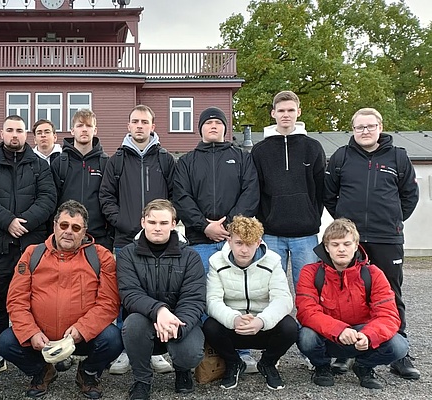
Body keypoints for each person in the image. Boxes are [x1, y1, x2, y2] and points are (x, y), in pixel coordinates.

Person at [323, 107, 420, 379]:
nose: (364, 131)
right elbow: (329, 195)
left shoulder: (398, 157)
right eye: (359, 127)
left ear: (380, 127)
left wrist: (392, 220)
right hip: (351, 240)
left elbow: (409, 196)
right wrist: (346, 228)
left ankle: (399, 353)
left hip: (386, 238)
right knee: (345, 294)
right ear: (352, 129)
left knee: (390, 293)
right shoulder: (341, 157)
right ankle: (344, 353)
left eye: (370, 126)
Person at [0, 200, 121, 399]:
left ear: (84, 231)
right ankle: (43, 370)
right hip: (41, 337)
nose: (68, 231)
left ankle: (88, 373)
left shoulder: (101, 256)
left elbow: (109, 302)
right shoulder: (32, 254)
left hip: (81, 337)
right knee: (5, 342)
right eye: (63, 225)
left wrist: (82, 329)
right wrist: (31, 332)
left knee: (114, 339)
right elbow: (16, 300)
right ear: (54, 225)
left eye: (75, 227)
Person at [173, 107, 260, 373]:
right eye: (208, 122)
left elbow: (250, 192)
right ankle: (206, 350)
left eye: (218, 122)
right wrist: (204, 225)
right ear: (200, 128)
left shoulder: (241, 158)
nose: (213, 126)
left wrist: (231, 226)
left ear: (225, 128)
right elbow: (181, 196)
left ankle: (242, 351)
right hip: (199, 242)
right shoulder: (186, 162)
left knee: (235, 295)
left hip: (232, 242)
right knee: (200, 297)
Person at [0, 115, 57, 375]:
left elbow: (48, 198)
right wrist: (8, 221)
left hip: (30, 246)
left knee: (37, 301)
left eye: (19, 130)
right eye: (9, 130)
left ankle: (43, 352)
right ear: (1, 133)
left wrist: (26, 223)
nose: (14, 135)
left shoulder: (40, 166)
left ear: (26, 135)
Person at [99, 104, 175, 374]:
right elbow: (105, 197)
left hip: (160, 241)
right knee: (125, 296)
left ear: (153, 126)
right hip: (125, 240)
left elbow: (175, 198)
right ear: (128, 126)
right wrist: (128, 225)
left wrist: (161, 227)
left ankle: (153, 351)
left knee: (155, 291)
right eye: (135, 121)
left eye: (145, 121)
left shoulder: (165, 159)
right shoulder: (116, 161)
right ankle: (124, 350)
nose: (140, 125)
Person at [296, 218, 409, 389]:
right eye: (335, 244)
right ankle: (322, 366)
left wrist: (369, 335)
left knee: (400, 346)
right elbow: (306, 311)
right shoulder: (310, 272)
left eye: (347, 244)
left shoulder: (373, 274)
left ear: (356, 245)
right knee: (306, 336)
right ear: (326, 247)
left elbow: (389, 315)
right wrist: (338, 330)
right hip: (328, 336)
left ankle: (364, 366)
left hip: (361, 337)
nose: (341, 249)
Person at [118, 199, 206, 400]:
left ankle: (182, 370)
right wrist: (160, 311)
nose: (157, 228)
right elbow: (130, 294)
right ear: (143, 223)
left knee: (191, 353)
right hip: (144, 319)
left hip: (178, 320)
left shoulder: (190, 256)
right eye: (152, 222)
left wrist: (175, 324)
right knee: (132, 325)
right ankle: (142, 379)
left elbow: (194, 299)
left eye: (164, 223)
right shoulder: (127, 255)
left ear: (174, 224)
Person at [204, 215, 297, 390]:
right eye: (239, 243)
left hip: (263, 325)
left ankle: (268, 363)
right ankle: (233, 362)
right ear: (229, 241)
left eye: (250, 244)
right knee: (209, 326)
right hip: (234, 326)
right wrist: (234, 319)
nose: (244, 250)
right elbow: (212, 301)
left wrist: (262, 320)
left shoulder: (273, 260)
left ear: (258, 242)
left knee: (290, 327)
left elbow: (283, 298)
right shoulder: (216, 261)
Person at [250, 90, 326, 290]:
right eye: (281, 110)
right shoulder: (260, 150)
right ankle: (277, 323)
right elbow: (255, 190)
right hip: (271, 233)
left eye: (290, 110)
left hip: (306, 234)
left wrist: (311, 216)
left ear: (298, 112)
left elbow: (320, 190)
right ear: (273, 113)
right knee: (272, 288)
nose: (286, 114)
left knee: (308, 288)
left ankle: (308, 322)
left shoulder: (313, 147)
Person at [51, 109, 111, 249]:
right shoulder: (60, 163)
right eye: (79, 126)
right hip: (66, 236)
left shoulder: (106, 163)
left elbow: (111, 198)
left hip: (98, 237)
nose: (84, 130)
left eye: (88, 126)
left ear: (95, 130)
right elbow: (52, 201)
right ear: (72, 131)